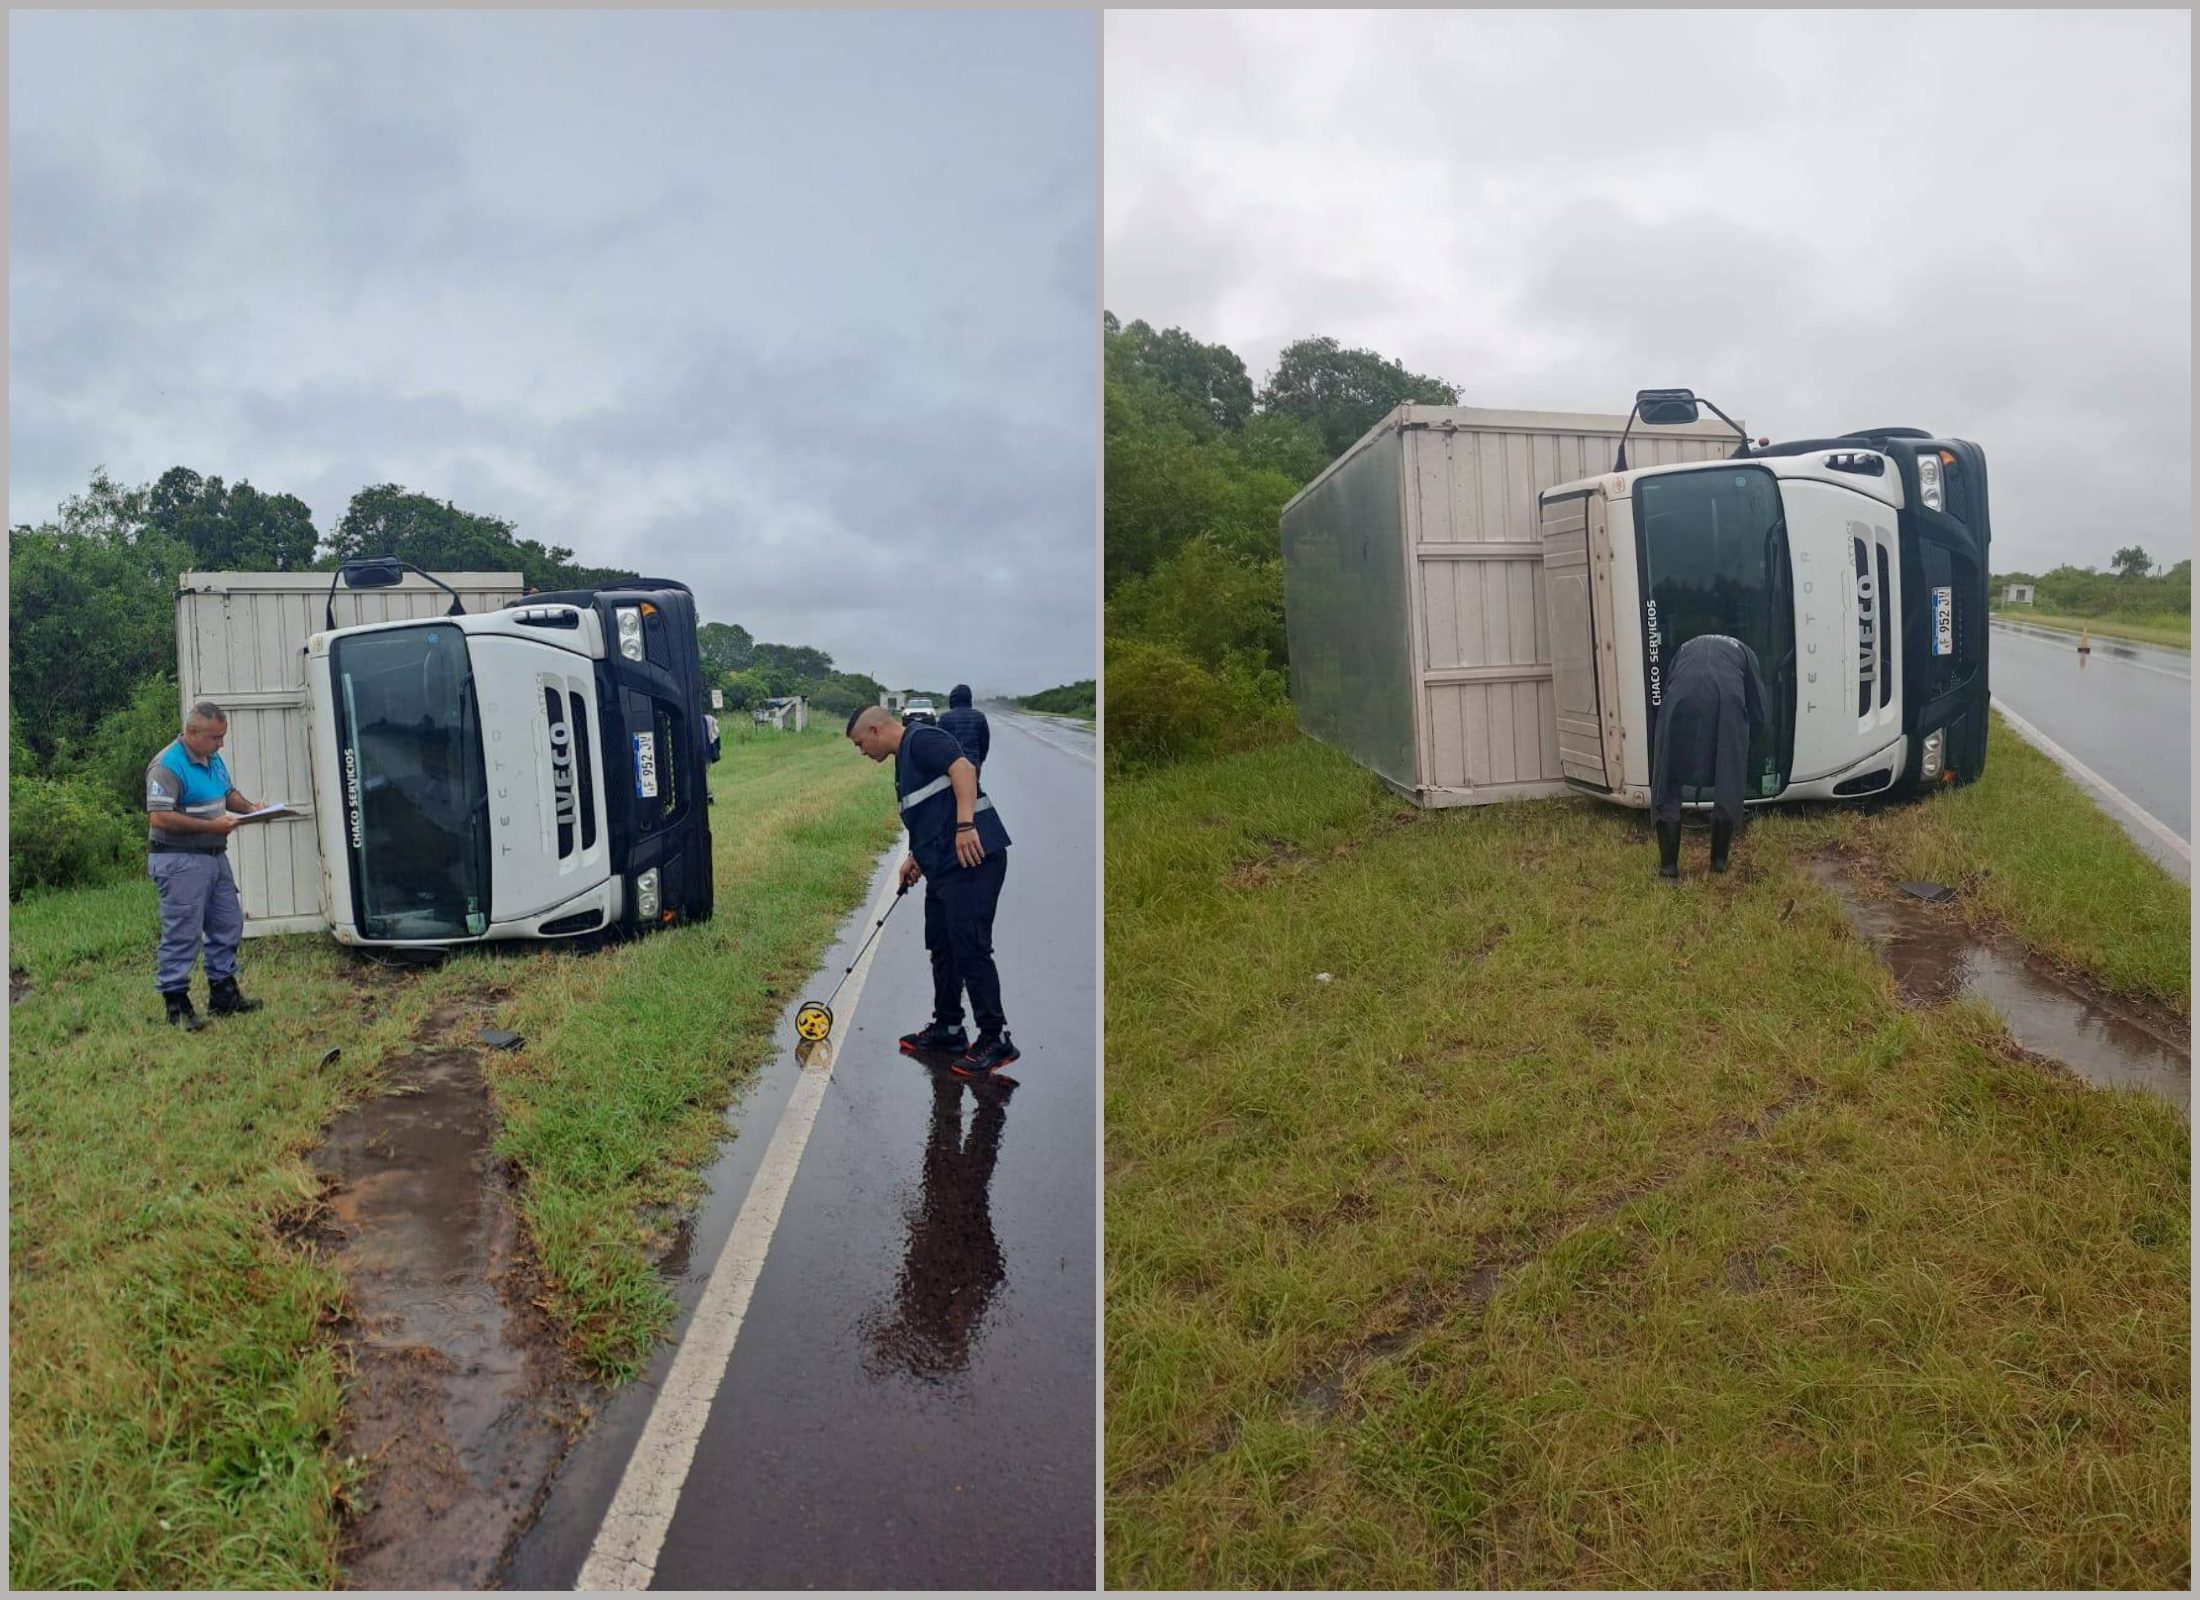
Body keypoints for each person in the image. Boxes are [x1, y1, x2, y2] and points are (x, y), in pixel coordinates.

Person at [845, 704, 1017, 1075]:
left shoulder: (922, 739)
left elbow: (963, 769)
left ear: (875, 730)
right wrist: (916, 857)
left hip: (975, 859)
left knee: (969, 945)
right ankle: (948, 1027)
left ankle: (995, 1037)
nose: (862, 752)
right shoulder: (903, 759)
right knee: (942, 944)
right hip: (943, 866)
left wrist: (966, 825)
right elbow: (932, 811)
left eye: (861, 744)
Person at [145, 701, 267, 1028]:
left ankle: (224, 993)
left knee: (228, 922)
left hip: (214, 857)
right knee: (183, 932)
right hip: (179, 859)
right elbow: (159, 816)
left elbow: (227, 794)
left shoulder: (211, 758)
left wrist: (251, 808)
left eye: (222, 737)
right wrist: (211, 827)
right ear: (193, 732)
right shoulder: (167, 765)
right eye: (215, 737)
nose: (221, 744)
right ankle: (176, 1005)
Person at [1650, 633, 1770, 878]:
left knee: (1669, 776)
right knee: (1728, 778)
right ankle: (1718, 863)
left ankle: (1668, 868)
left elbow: (1669, 685)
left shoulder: (1685, 647)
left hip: (1678, 700)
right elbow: (1758, 709)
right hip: (1726, 698)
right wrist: (1746, 745)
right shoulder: (1747, 653)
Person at [938, 683, 990, 771]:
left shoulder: (944, 718)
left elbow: (938, 743)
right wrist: (980, 761)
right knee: (974, 784)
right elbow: (984, 743)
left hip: (951, 764)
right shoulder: (979, 717)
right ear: (969, 699)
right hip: (972, 762)